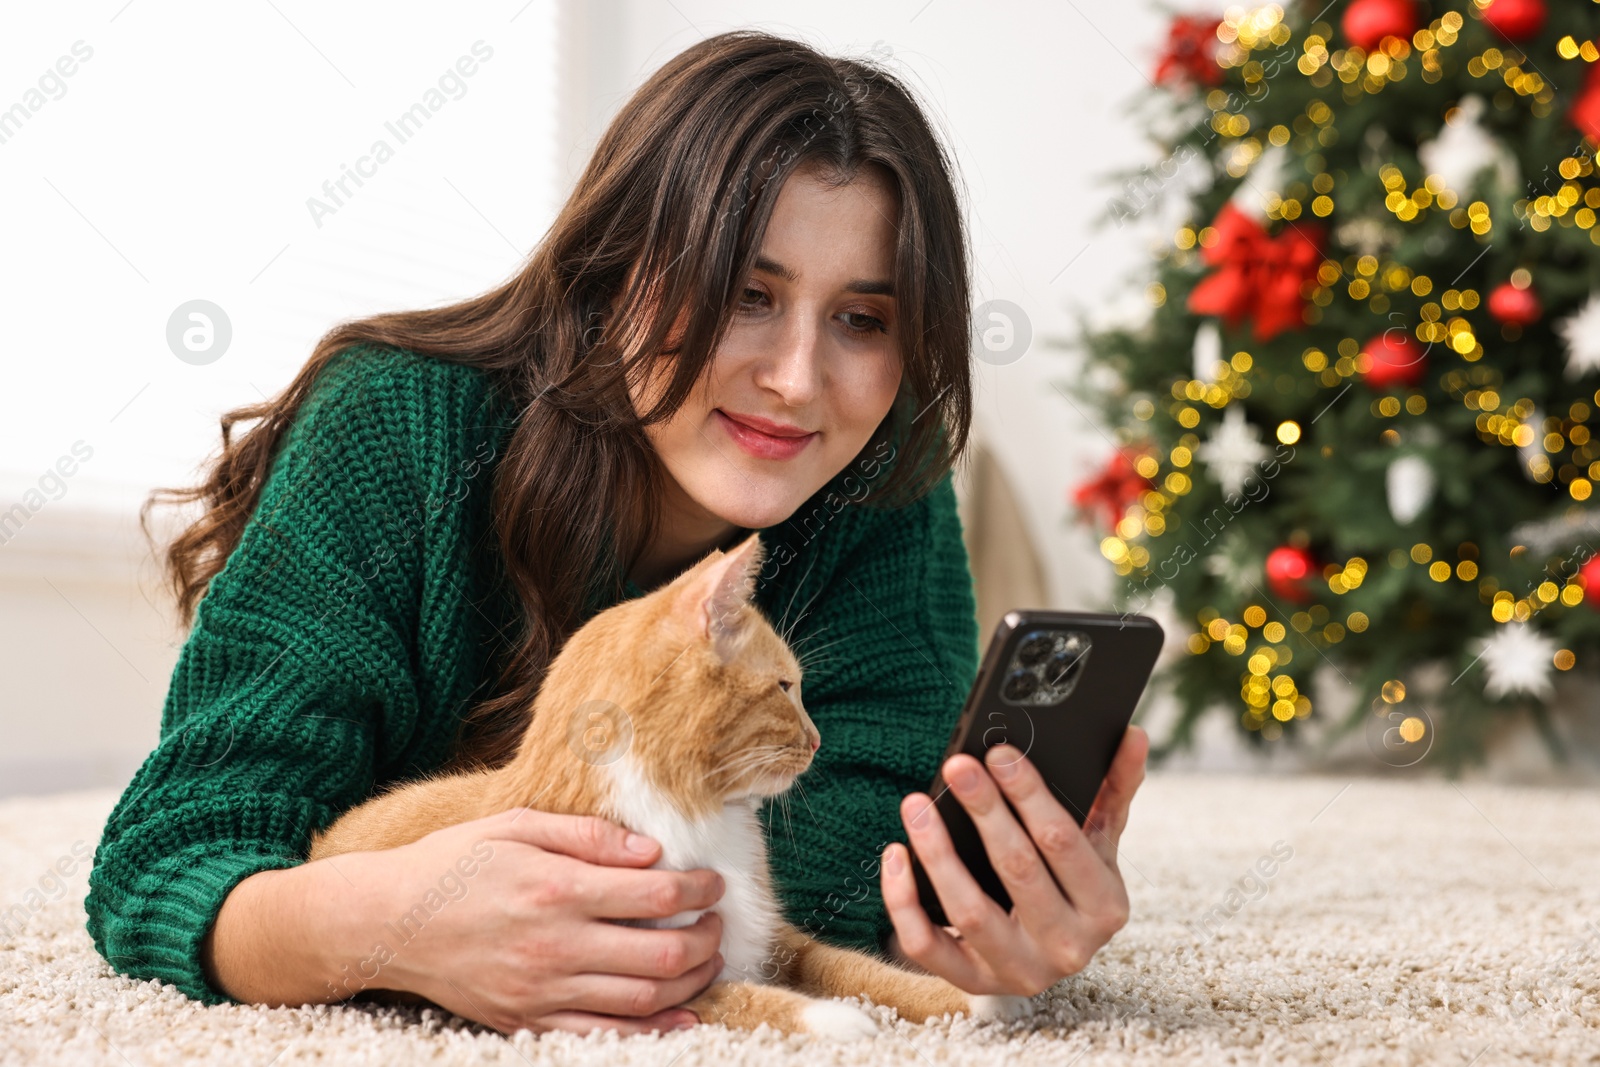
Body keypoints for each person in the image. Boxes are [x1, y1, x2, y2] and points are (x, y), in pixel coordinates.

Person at [84, 28, 1147, 1037]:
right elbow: (176, 852)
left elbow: (838, 856)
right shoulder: (394, 427)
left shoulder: (881, 471)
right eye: (745, 292)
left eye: (861, 320)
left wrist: (967, 908)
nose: (796, 380)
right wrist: (382, 923)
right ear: (610, 277)